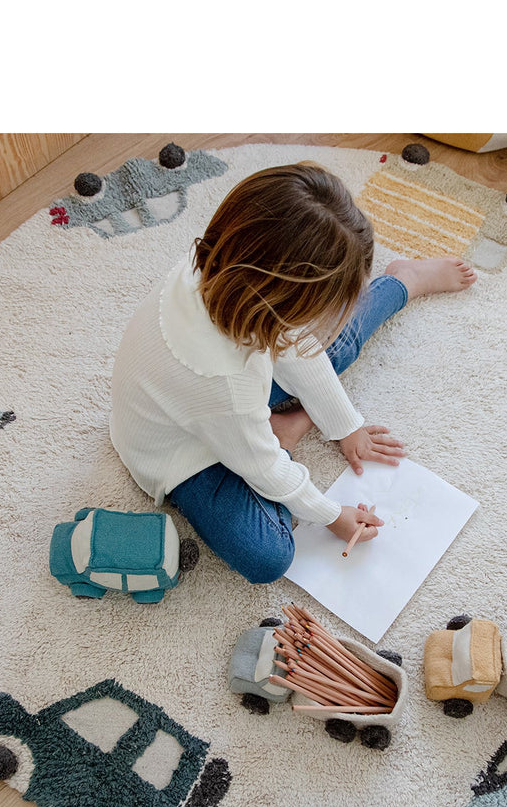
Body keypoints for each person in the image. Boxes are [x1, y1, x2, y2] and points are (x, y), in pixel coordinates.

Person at [109, 161, 476, 584]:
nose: (326, 318)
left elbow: (296, 346)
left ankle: (404, 282)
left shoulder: (224, 268)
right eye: (322, 308)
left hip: (216, 398)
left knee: (322, 348)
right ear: (283, 302)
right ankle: (287, 425)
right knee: (268, 555)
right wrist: (331, 514)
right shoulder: (226, 382)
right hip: (181, 455)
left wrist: (344, 425)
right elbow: (263, 467)